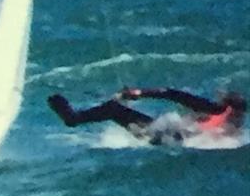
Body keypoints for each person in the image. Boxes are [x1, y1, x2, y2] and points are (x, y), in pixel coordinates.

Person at [47, 87, 246, 145]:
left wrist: (137, 93)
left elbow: (173, 94)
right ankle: (73, 118)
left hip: (168, 137)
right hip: (170, 138)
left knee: (114, 109)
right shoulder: (235, 127)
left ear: (226, 104)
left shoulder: (215, 110)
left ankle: (72, 118)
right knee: (118, 112)